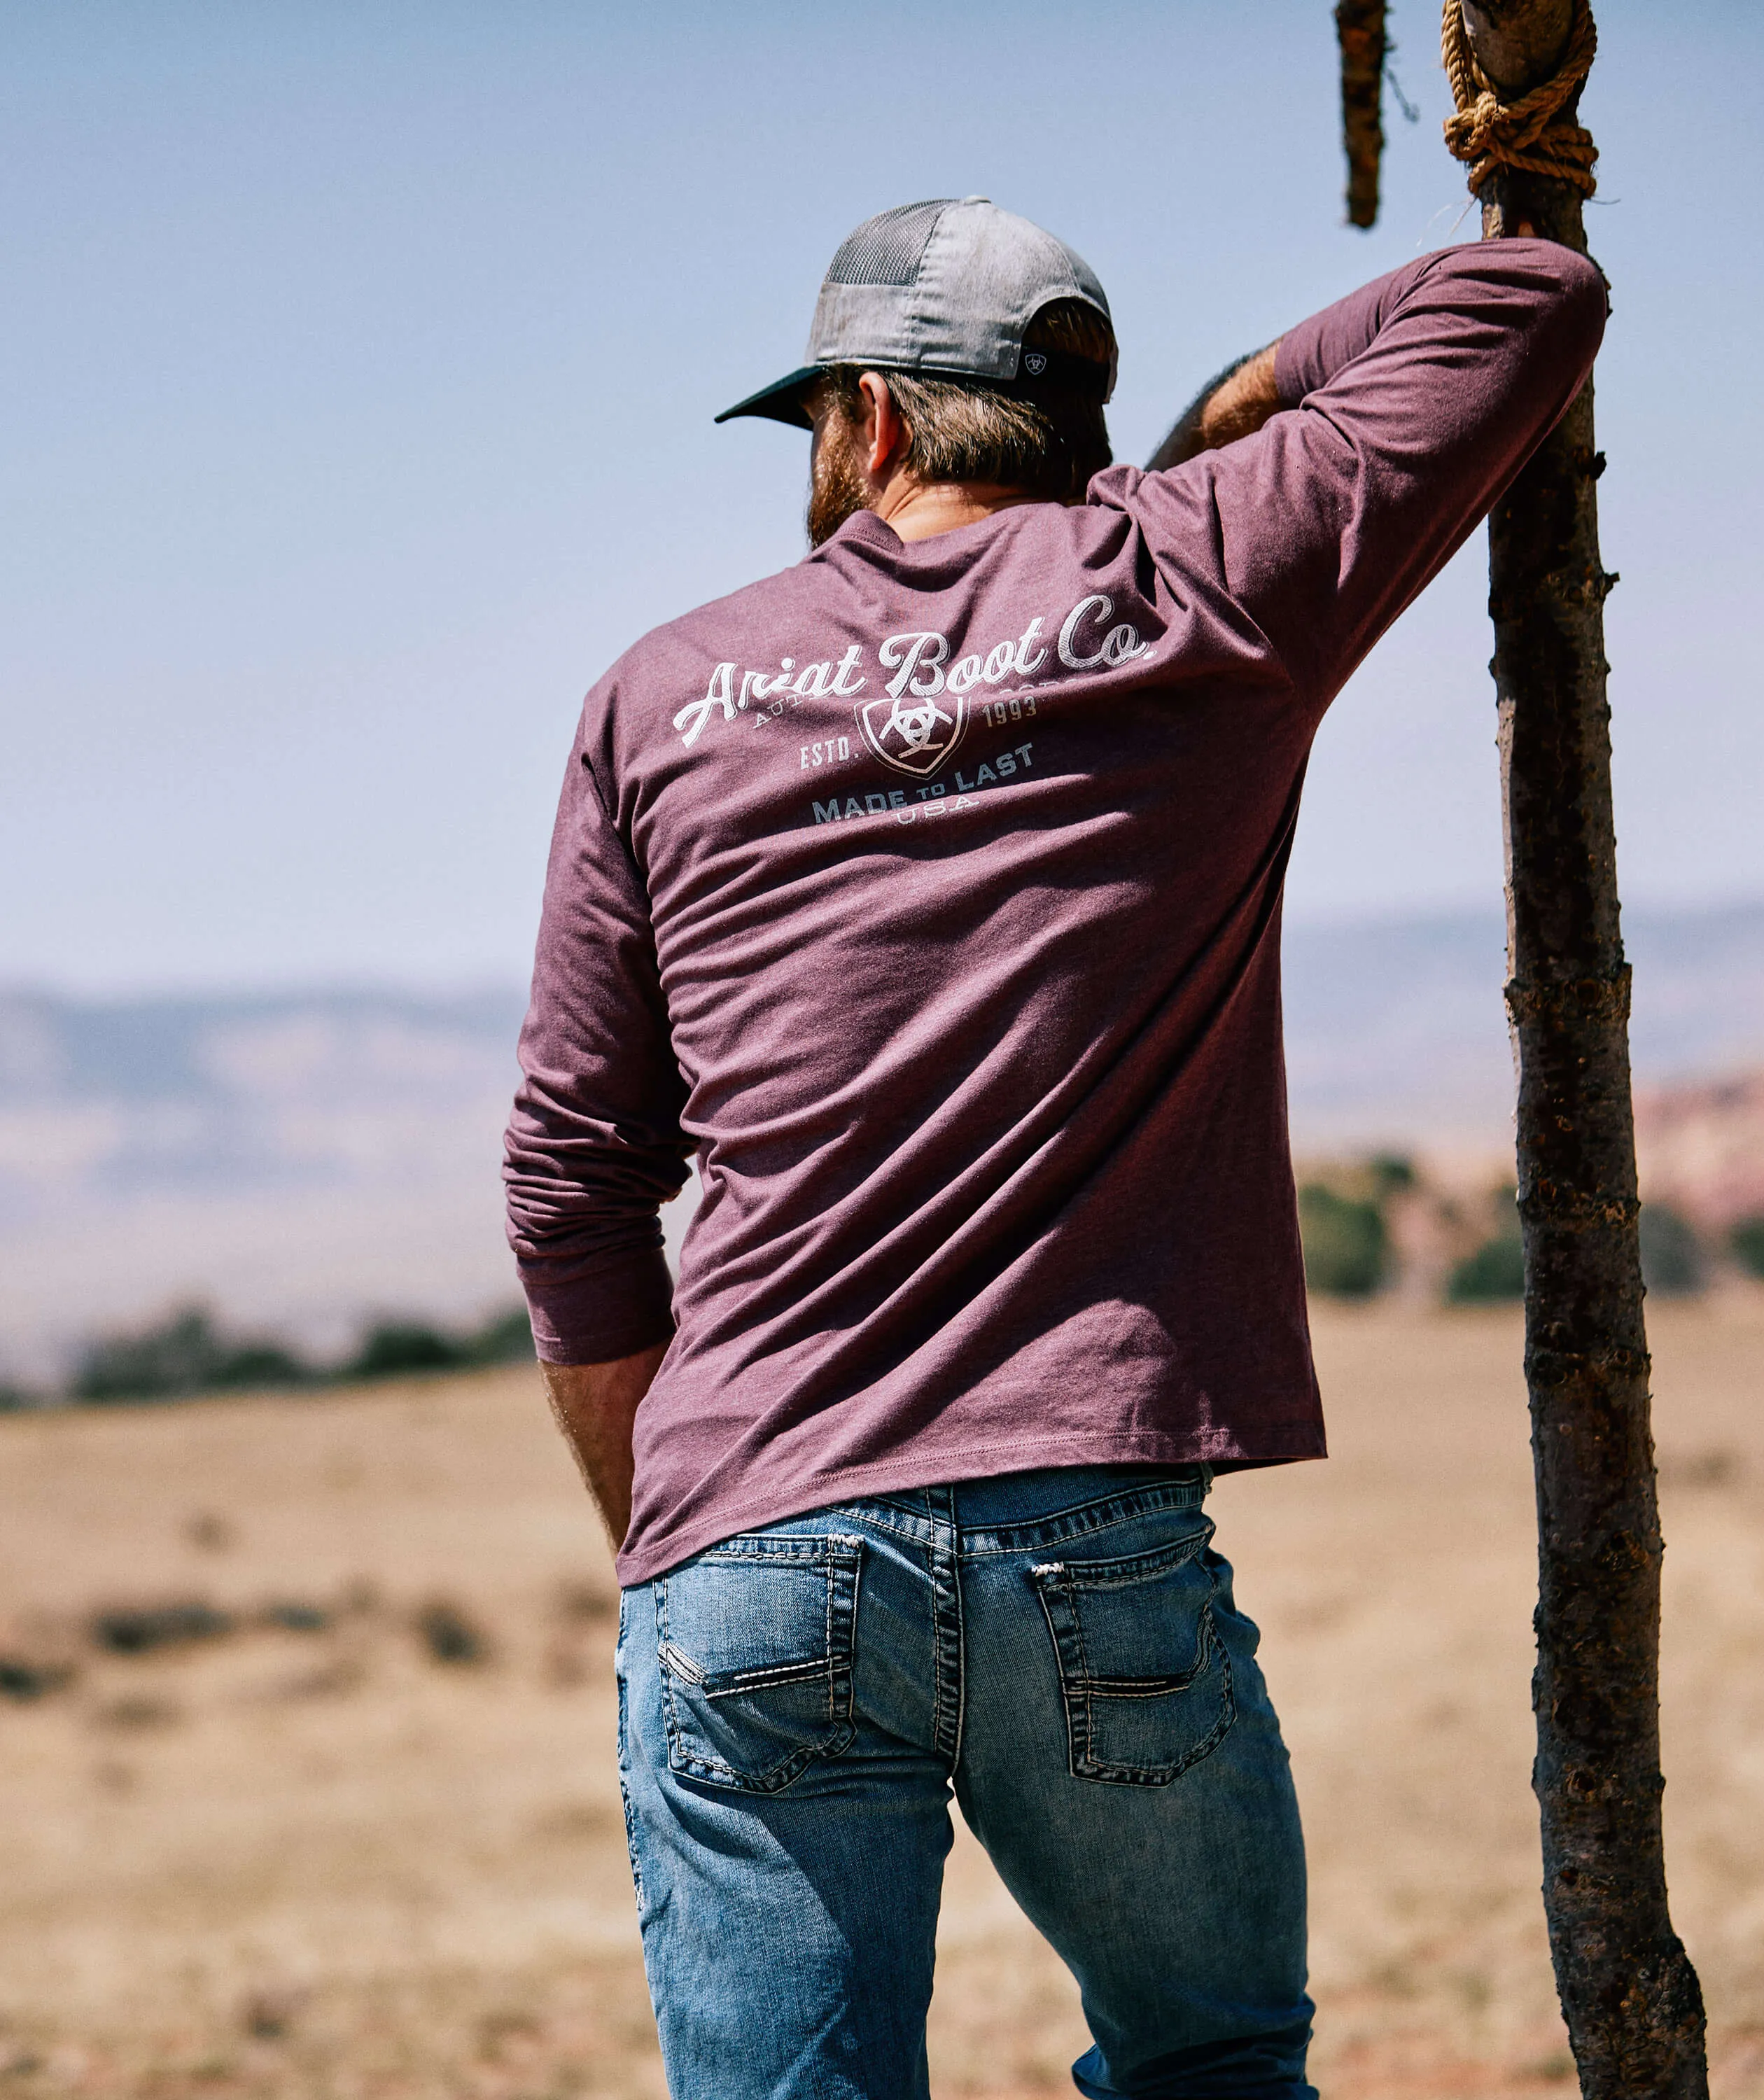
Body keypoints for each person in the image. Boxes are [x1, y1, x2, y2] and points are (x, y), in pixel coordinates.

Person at [504, 195, 1604, 2100]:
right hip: (1086, 1527)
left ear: (867, 421)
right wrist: (1238, 409)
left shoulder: (658, 696)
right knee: (1213, 2067)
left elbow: (569, 1174)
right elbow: (1529, 290)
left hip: (750, 1530)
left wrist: (683, 1531)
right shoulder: (1202, 578)